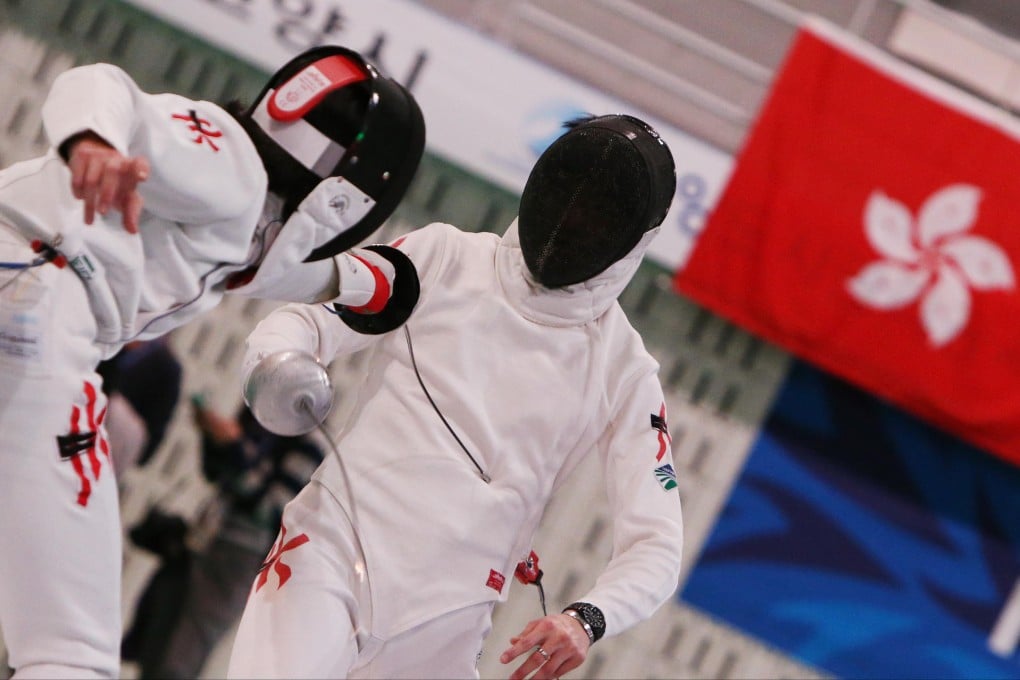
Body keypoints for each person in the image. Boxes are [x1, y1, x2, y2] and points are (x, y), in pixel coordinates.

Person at [0, 44, 424, 678]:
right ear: (347, 198)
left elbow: (284, 272)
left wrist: (381, 285)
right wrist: (90, 142)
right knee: (72, 649)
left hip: (28, 310)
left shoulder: (240, 215)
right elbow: (101, 83)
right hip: (30, 304)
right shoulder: (230, 167)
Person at [229, 114, 685, 679]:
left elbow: (658, 545)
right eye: (568, 188)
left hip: (448, 623)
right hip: (329, 553)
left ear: (634, 237)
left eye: (600, 211)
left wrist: (587, 619)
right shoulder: (442, 256)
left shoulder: (624, 369)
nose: (572, 216)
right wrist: (275, 365)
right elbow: (312, 308)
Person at [121, 401, 324, 679]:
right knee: (155, 639)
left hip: (236, 560)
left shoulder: (310, 442)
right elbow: (215, 474)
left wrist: (233, 445)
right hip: (203, 539)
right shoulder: (263, 414)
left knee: (179, 657)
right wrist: (212, 437)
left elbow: (270, 509)